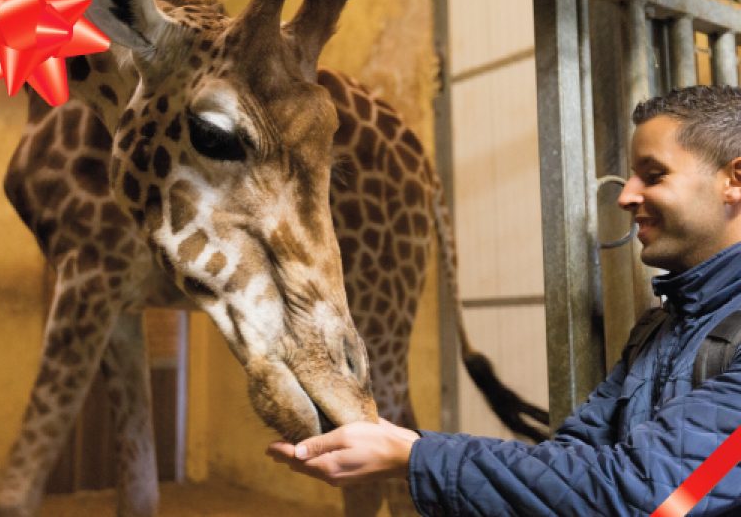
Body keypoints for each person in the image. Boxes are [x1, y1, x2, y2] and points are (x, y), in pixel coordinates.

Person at [266, 85, 741, 515]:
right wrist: (407, 448)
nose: (625, 195)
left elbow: (641, 497)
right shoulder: (660, 328)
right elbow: (568, 461)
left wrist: (414, 456)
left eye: (653, 176)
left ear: (734, 180)